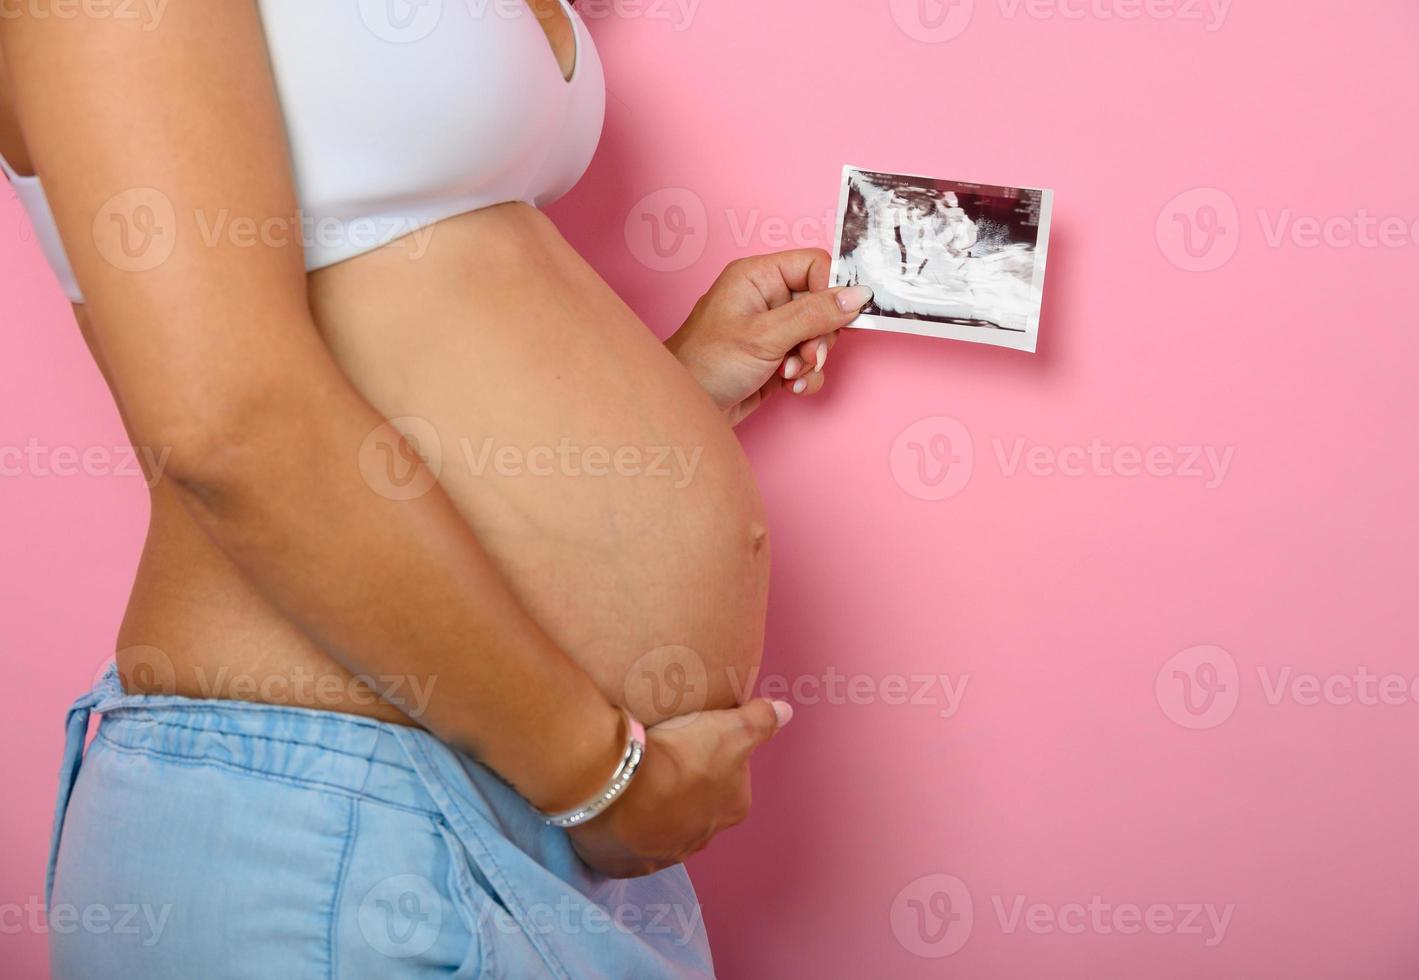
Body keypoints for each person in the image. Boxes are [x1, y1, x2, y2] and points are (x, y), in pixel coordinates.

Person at [0, 1, 871, 975]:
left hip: (554, 793)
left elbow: (422, 331)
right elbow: (227, 423)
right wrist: (601, 776)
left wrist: (661, 408)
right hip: (332, 807)